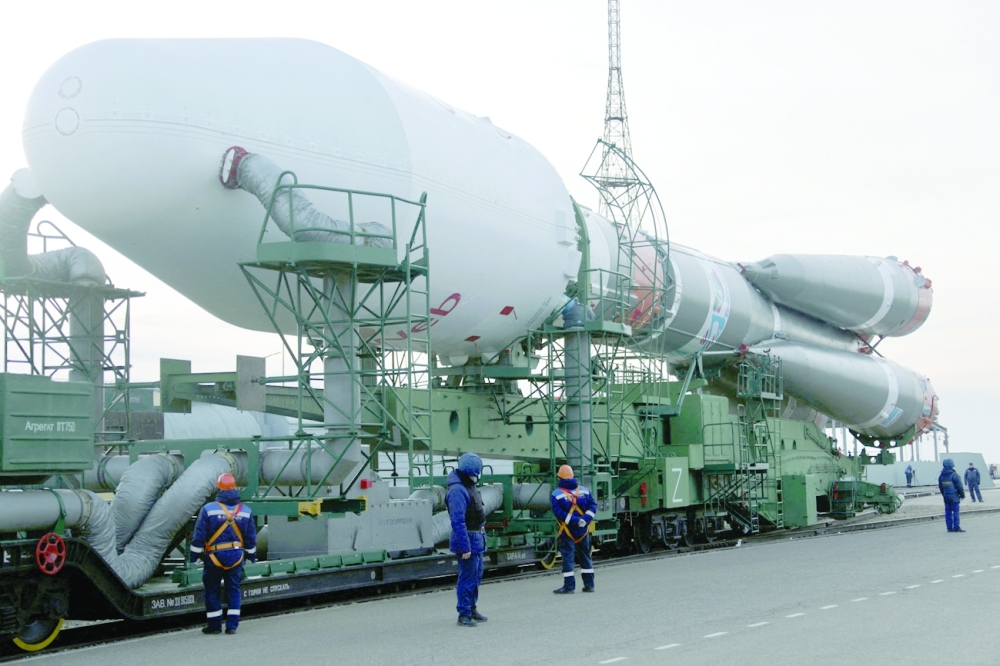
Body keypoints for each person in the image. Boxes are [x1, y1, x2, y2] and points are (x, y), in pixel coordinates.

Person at [190, 473, 257, 635]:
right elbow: (251, 538)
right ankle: (232, 626)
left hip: (214, 557)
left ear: (218, 488)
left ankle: (214, 625)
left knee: (212, 590)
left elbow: (199, 536)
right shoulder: (246, 511)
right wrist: (250, 558)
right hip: (236, 557)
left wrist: (194, 558)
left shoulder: (208, 509)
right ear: (235, 487)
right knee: (233, 589)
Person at [447, 452, 488, 627]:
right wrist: (465, 547)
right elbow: (458, 521)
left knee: (476, 576)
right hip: (469, 539)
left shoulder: (466, 486)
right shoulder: (458, 490)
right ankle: (463, 614)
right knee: (467, 577)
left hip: (475, 537)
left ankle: (471, 608)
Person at [550, 464, 598, 594]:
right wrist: (585, 520)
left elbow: (558, 512)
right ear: (572, 477)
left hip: (567, 531)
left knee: (568, 558)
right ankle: (589, 585)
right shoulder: (585, 491)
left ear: (559, 478)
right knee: (585, 557)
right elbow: (593, 506)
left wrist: (574, 521)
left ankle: (569, 587)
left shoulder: (556, 494)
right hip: (583, 530)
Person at [938, 459, 966, 533]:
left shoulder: (941, 476)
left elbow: (941, 487)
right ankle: (956, 527)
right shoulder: (954, 475)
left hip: (946, 497)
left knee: (948, 512)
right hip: (954, 496)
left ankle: (949, 528)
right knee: (956, 512)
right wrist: (962, 495)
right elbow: (959, 487)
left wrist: (944, 494)